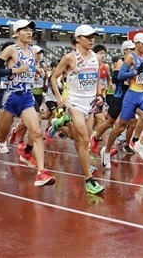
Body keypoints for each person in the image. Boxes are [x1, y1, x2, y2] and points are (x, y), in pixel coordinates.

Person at [0, 20, 55, 187]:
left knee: (36, 132)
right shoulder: (11, 50)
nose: (29, 33)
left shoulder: (31, 51)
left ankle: (41, 173)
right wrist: (14, 70)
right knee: (0, 136)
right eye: (25, 30)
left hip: (27, 97)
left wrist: (35, 73)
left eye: (31, 30)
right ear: (16, 33)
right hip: (11, 97)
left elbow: (27, 70)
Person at [49, 24, 105, 194]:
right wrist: (59, 97)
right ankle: (89, 179)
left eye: (93, 37)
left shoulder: (97, 57)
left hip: (90, 103)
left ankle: (59, 124)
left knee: (82, 141)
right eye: (87, 37)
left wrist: (99, 94)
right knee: (84, 138)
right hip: (74, 102)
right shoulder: (70, 58)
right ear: (78, 39)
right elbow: (53, 77)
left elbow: (96, 77)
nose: (91, 40)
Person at [100, 32, 143, 167]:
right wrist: (135, 72)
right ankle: (105, 151)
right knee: (120, 127)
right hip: (131, 95)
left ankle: (140, 144)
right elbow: (120, 76)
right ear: (136, 44)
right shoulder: (130, 57)